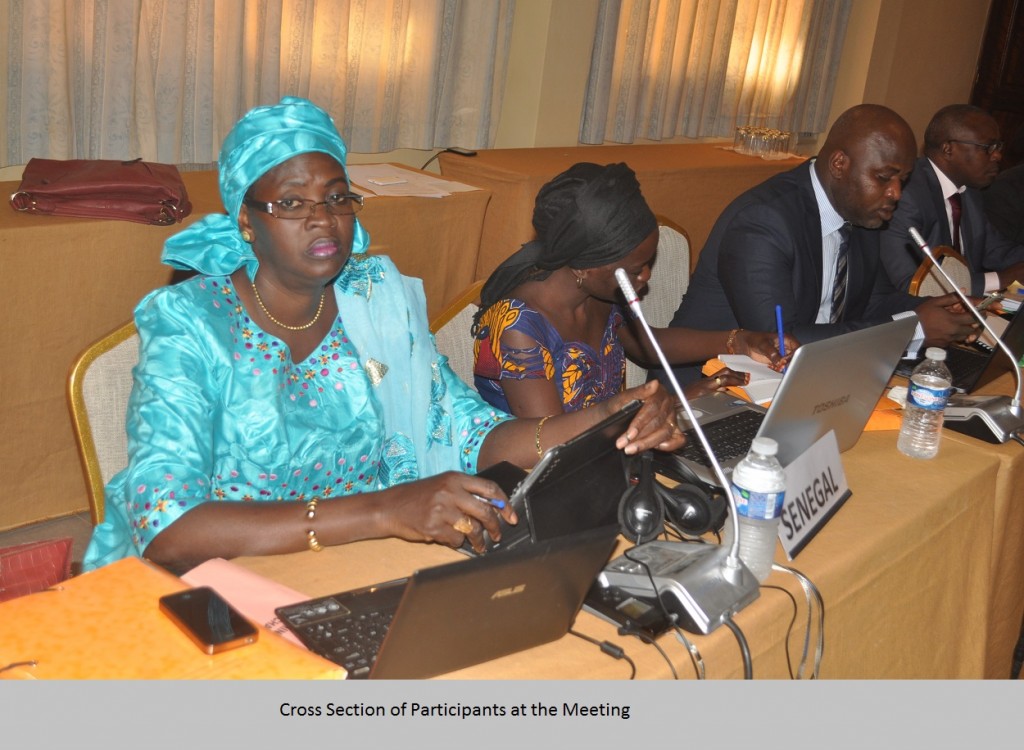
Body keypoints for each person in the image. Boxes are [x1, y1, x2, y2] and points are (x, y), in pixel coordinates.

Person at [83, 98, 684, 573]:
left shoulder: (375, 300)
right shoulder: (190, 324)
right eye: (292, 202)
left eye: (338, 197)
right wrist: (381, 510)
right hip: (229, 584)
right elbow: (166, 526)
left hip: (373, 565)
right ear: (246, 218)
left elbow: (474, 433)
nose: (323, 218)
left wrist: (608, 415)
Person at [660, 103, 977, 385]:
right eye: (884, 178)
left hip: (811, 378)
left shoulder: (861, 213)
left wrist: (927, 310)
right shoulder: (763, 221)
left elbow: (874, 301)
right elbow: (780, 342)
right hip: (712, 392)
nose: (896, 192)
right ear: (840, 164)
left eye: (902, 180)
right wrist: (912, 329)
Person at [471, 162, 797, 418]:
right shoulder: (517, 326)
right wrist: (676, 401)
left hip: (614, 456)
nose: (646, 276)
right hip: (548, 482)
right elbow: (553, 448)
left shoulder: (598, 295)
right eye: (633, 270)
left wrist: (738, 340)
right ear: (584, 266)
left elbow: (646, 346)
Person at [879, 104, 1024, 295]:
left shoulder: (969, 192)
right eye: (988, 148)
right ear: (948, 149)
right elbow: (913, 283)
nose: (997, 155)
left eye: (998, 147)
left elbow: (997, 250)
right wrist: (1000, 279)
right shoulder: (907, 194)